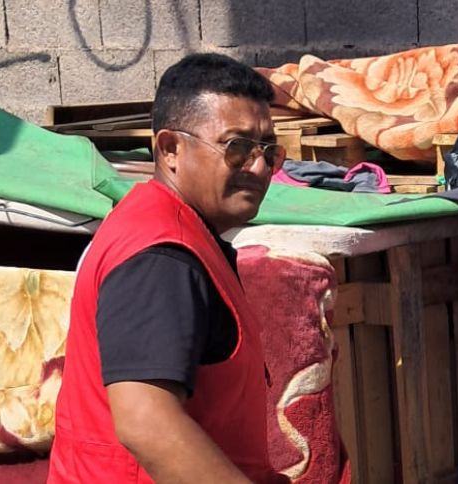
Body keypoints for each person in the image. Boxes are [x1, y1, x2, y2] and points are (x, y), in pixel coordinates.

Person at [49, 53, 287, 483]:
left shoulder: (173, 230)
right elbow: (146, 423)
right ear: (170, 149)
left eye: (269, 152)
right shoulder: (161, 256)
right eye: (236, 148)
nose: (257, 167)